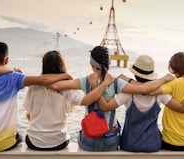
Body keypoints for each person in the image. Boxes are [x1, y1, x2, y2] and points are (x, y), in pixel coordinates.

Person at [46, 46, 177, 151]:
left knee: (81, 133)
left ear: (91, 64)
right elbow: (144, 89)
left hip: (89, 142)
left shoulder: (85, 81)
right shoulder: (117, 83)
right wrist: (164, 79)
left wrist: (67, 75)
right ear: (109, 63)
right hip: (110, 141)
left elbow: (55, 85)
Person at [96, 54, 184, 152]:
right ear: (151, 74)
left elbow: (105, 107)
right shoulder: (160, 93)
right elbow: (182, 108)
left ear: (135, 74)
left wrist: (98, 86)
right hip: (153, 144)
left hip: (129, 144)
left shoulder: (128, 93)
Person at [23, 50, 113, 150]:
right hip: (58, 142)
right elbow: (86, 101)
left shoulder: (34, 86)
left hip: (34, 141)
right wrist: (104, 84)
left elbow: (29, 115)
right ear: (62, 65)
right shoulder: (68, 87)